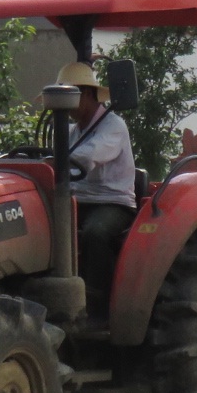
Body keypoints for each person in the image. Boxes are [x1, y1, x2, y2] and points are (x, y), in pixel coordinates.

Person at [56, 60, 136, 314]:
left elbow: (91, 155)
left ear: (88, 94)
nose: (66, 106)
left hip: (112, 202)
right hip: (78, 200)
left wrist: (58, 160)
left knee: (95, 232)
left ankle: (98, 304)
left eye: (70, 97)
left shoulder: (113, 126)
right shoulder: (73, 131)